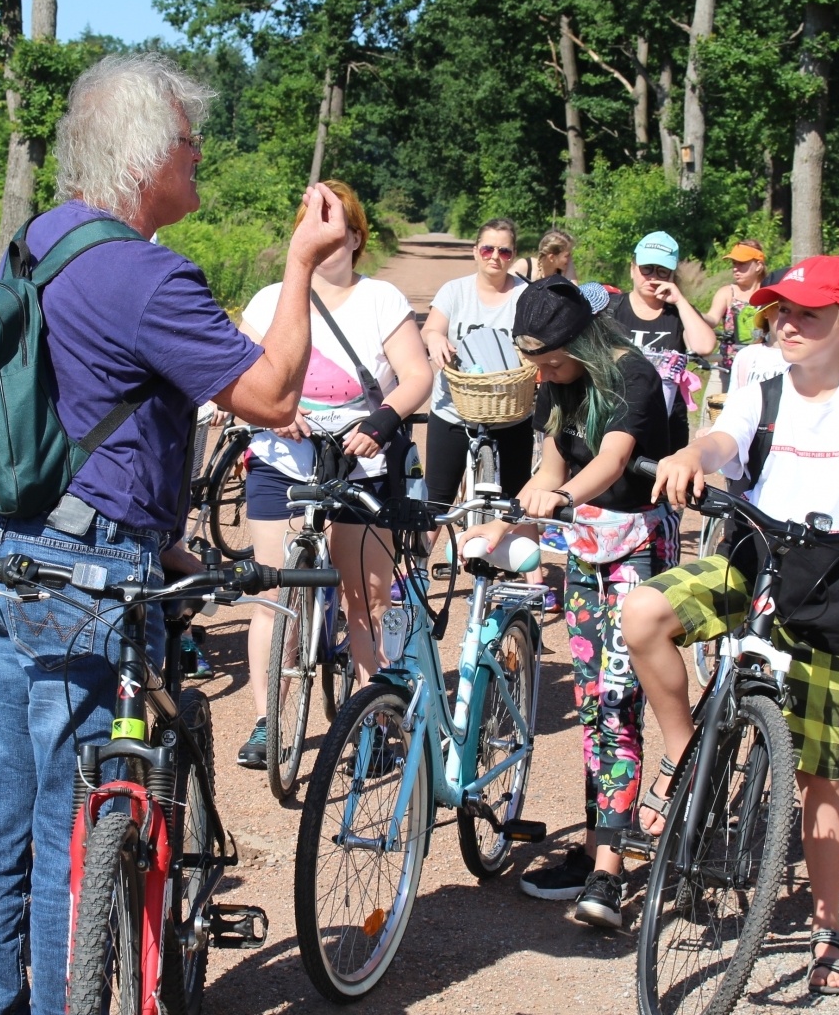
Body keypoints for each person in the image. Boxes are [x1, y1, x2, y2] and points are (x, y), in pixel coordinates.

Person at [0, 54, 349, 1015]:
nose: (197, 154)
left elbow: (75, 392)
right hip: (84, 577)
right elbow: (272, 398)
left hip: (0, 550)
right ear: (141, 156)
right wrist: (301, 266)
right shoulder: (147, 273)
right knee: (64, 821)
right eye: (186, 140)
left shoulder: (39, 240)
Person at [619, 254, 839, 996]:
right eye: (780, 310)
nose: (787, 323)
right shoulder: (761, 387)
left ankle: (828, 929)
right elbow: (724, 441)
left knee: (820, 774)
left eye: (806, 312)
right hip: (753, 561)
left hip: (834, 585)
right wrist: (688, 453)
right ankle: (686, 762)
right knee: (642, 611)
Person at [457, 278, 672, 927]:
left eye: (550, 360)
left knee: (616, 701)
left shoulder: (634, 377)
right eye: (537, 364)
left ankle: (609, 873)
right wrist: (509, 523)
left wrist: (563, 497)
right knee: (590, 704)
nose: (544, 374)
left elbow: (612, 458)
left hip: (634, 548)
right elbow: (550, 465)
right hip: (583, 549)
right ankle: (594, 844)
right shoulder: (561, 382)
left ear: (581, 340)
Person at [234, 180, 432, 768]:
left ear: (356, 237)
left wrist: (383, 421)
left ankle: (372, 722)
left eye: (335, 225)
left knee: (364, 600)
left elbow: (416, 375)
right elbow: (240, 372)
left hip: (359, 466)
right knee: (274, 599)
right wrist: (272, 410)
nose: (323, 237)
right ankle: (271, 718)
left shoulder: (382, 301)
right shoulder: (271, 300)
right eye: (310, 223)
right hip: (280, 462)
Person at [421, 219, 533, 509]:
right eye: (487, 249)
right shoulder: (455, 291)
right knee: (437, 501)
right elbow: (431, 329)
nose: (495, 257)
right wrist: (435, 339)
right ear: (475, 252)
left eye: (505, 252)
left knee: (515, 503)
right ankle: (420, 555)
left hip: (512, 411)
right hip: (454, 408)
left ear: (513, 256)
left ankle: (512, 549)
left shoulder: (527, 296)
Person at [610, 231, 718, 451]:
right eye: (646, 268)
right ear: (632, 268)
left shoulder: (678, 313)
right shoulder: (611, 308)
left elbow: (704, 346)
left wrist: (679, 300)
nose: (652, 277)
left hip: (666, 425)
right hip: (613, 421)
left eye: (662, 271)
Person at [703, 239, 769, 359]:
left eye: (742, 263)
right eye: (734, 263)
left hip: (763, 364)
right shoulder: (727, 293)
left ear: (758, 266)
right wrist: (693, 312)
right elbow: (712, 320)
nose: (735, 268)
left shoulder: (769, 293)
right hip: (728, 366)